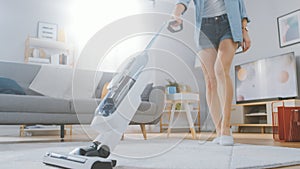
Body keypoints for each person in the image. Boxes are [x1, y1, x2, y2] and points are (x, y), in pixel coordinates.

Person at [171, 0, 251, 146]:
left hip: (228, 23)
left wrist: (244, 29)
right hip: (204, 26)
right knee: (210, 81)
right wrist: (176, 13)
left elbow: (240, 4)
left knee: (220, 70)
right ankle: (219, 130)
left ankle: (226, 128)